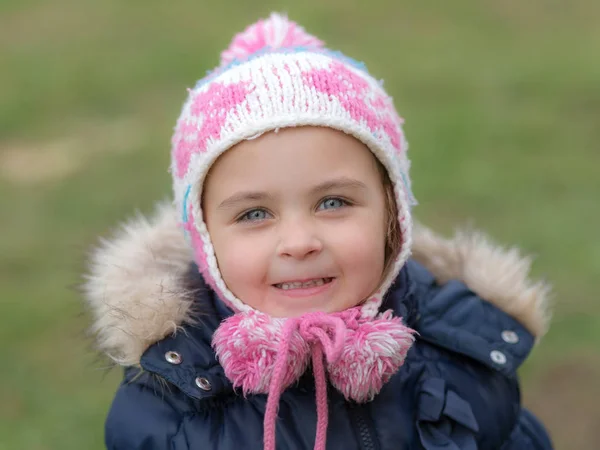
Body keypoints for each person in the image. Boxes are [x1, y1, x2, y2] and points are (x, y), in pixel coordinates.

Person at [84, 13, 553, 450]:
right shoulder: (169, 410)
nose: (299, 242)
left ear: (393, 214)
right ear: (204, 238)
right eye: (253, 214)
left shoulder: (466, 360)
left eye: (333, 203)